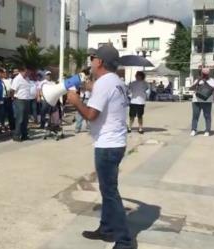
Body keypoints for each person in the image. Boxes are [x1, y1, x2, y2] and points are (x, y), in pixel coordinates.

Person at [67, 45, 135, 249]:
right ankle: (106, 229)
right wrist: (88, 87)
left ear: (100, 62)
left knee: (110, 193)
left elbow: (90, 115)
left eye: (93, 58)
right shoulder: (116, 82)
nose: (90, 61)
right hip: (116, 142)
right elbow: (104, 96)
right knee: (108, 190)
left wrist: (76, 101)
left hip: (107, 145)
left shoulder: (104, 83)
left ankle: (124, 240)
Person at [189, 68, 214, 137]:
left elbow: (213, 89)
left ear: (208, 74)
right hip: (196, 100)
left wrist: (205, 82)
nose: (204, 75)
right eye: (203, 73)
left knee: (207, 116)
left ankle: (207, 130)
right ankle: (193, 130)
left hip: (207, 101)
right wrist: (198, 81)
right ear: (201, 73)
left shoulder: (211, 80)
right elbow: (191, 88)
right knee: (195, 116)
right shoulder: (197, 79)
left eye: (206, 73)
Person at [11, 66, 31, 142]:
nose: (27, 73)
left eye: (28, 72)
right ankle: (16, 135)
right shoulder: (17, 79)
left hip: (26, 100)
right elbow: (12, 90)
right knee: (20, 118)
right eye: (26, 72)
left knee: (25, 119)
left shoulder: (27, 78)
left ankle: (24, 135)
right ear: (21, 71)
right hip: (19, 100)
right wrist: (13, 98)